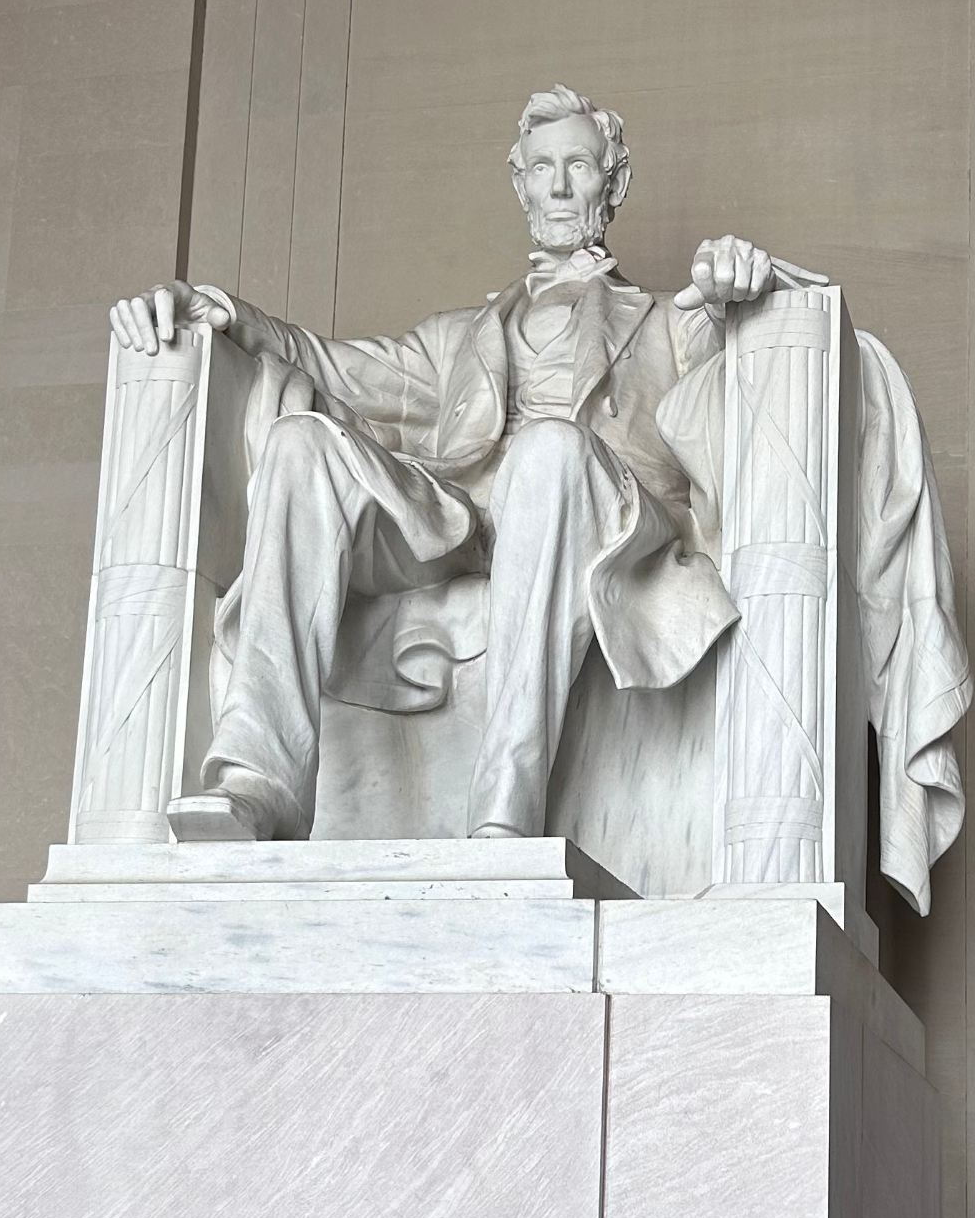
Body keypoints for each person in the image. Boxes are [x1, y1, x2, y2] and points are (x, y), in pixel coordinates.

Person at [109, 85, 778, 841]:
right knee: (301, 442)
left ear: (613, 183)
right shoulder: (457, 337)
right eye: (542, 168)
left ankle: (503, 815)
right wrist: (218, 310)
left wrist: (744, 289)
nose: (559, 186)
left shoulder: (671, 321)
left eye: (581, 167)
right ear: (519, 182)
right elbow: (331, 365)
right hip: (463, 521)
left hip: (593, 514)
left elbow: (741, 380)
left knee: (550, 449)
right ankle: (260, 783)